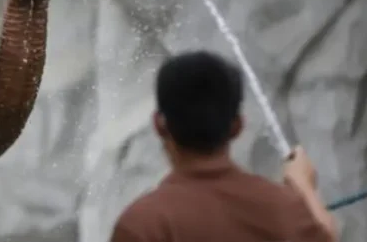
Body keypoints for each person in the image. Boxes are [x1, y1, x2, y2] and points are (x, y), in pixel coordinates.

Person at [110, 51, 338, 242]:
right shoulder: (283, 209)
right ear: (237, 126)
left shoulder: (144, 225)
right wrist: (303, 187)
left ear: (159, 125)